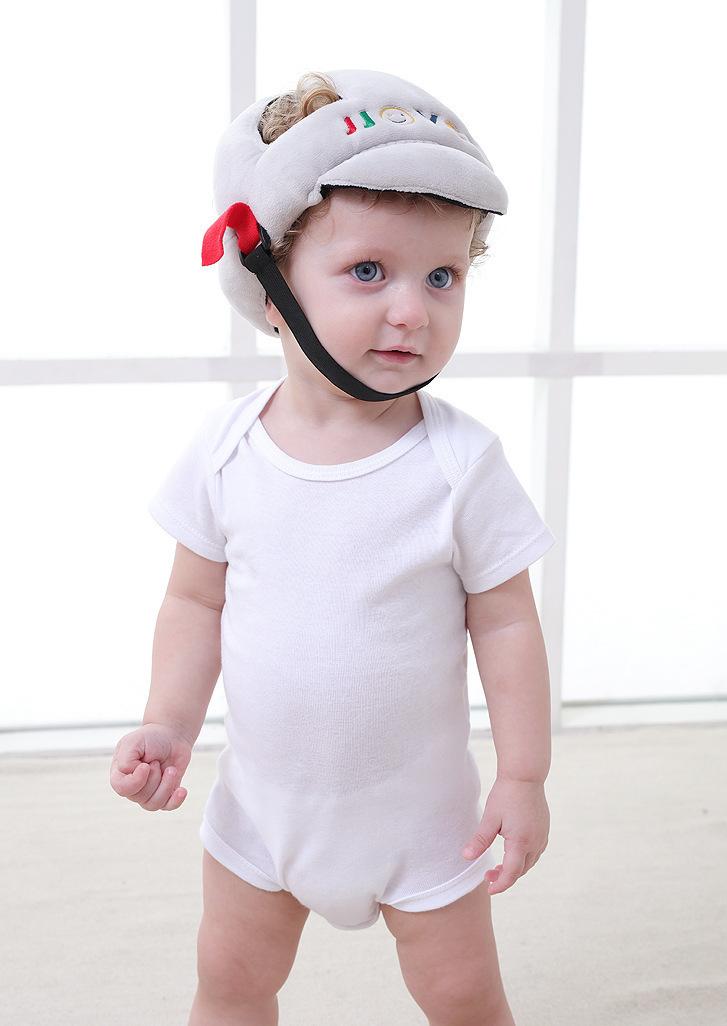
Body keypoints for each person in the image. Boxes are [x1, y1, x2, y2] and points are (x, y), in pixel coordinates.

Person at [110, 68, 557, 1026]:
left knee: (464, 996)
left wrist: (524, 775)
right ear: (270, 287)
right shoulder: (228, 451)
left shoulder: (460, 465)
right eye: (368, 272)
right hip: (263, 814)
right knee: (231, 983)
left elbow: (508, 624)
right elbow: (194, 601)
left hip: (424, 820)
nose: (414, 310)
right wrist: (169, 724)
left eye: (442, 277)